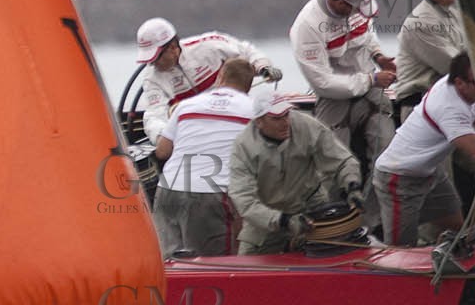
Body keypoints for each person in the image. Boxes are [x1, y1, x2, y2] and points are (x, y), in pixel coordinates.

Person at [371, 52, 475, 246]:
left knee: (457, 227)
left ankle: (449, 262)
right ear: (460, 83)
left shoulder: (464, 87)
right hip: (399, 178)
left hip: (431, 171)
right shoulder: (449, 110)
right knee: (401, 250)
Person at [289, 0, 396, 178]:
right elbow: (321, 82)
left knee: (388, 152)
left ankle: (376, 206)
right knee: (336, 165)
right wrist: (371, 79)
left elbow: (367, 33)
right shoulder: (308, 25)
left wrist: (379, 56)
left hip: (370, 87)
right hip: (333, 97)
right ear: (337, 0)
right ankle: (343, 206)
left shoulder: (357, 8)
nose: (358, 12)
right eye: (354, 8)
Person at [229, 90, 363, 254]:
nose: (285, 122)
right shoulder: (243, 146)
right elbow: (244, 200)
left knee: (336, 259)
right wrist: (282, 220)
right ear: (259, 122)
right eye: (277, 118)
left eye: (287, 114)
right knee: (245, 271)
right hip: (264, 221)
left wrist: (352, 185)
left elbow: (341, 160)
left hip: (312, 212)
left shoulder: (307, 126)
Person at [150, 58, 256, 256]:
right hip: (210, 193)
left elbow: (162, 151)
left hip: (168, 189)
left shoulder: (186, 105)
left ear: (220, 76)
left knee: (170, 266)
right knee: (213, 266)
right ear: (248, 86)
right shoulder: (254, 109)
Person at [133, 17, 281, 142]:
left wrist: (264, 68)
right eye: (149, 59)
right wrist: (162, 138)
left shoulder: (210, 45)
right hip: (195, 135)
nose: (152, 63)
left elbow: (247, 52)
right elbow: (154, 116)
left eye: (156, 57)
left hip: (234, 118)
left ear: (172, 47)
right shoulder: (152, 79)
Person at [394, 0, 466, 121]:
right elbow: (455, 66)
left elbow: (468, 53)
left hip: (443, 103)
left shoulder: (452, 13)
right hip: (420, 108)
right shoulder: (421, 22)